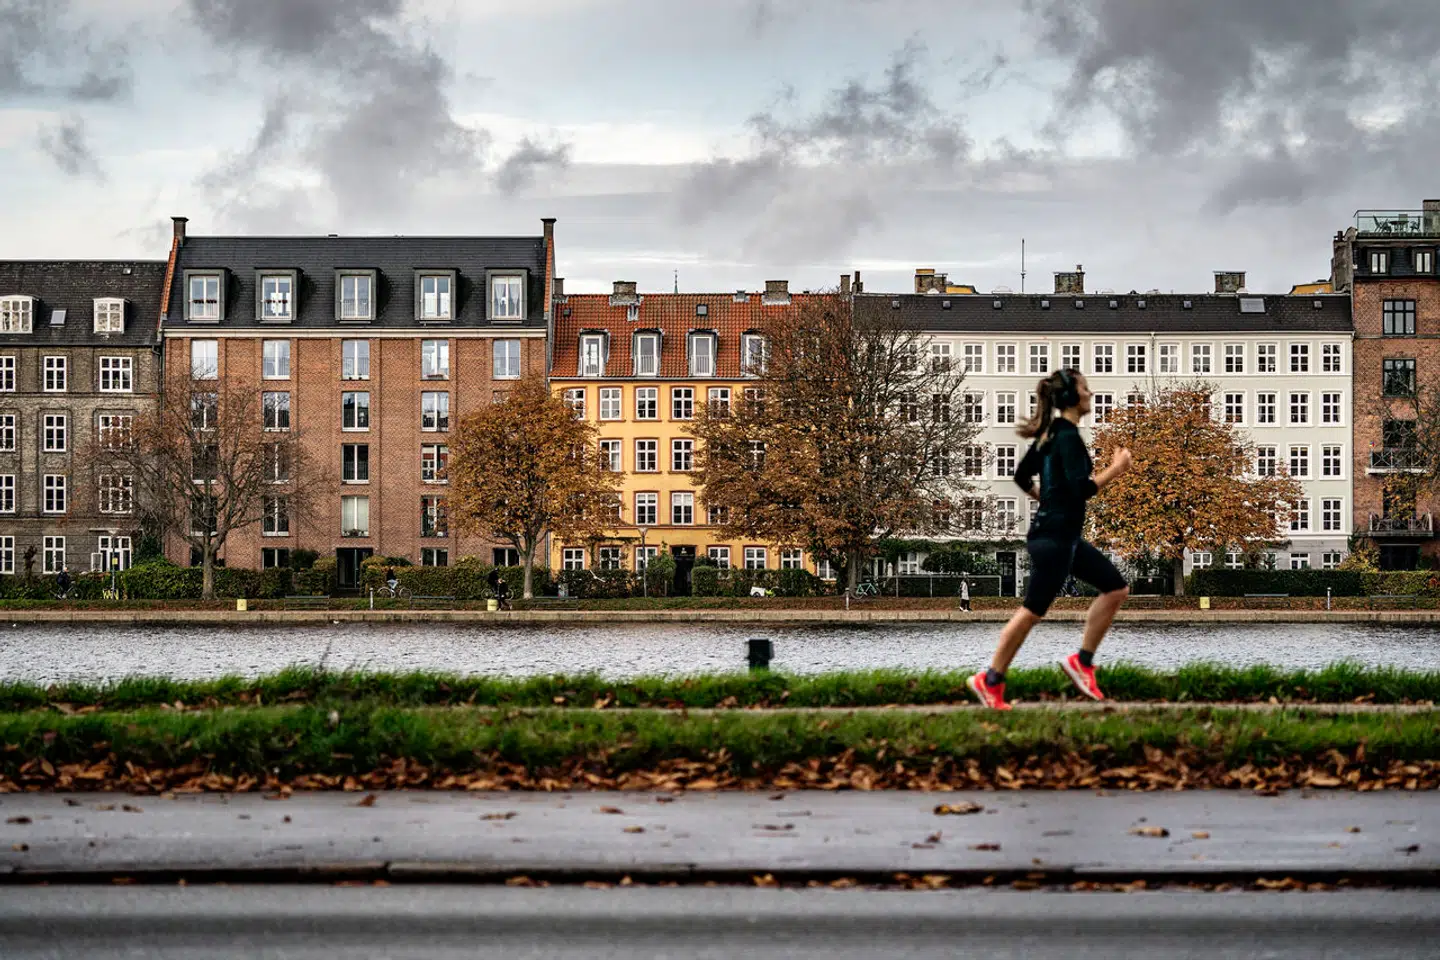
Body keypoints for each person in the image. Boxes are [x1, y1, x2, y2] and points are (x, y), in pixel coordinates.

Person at [968, 367, 1133, 710]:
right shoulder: (1067, 436)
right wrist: (1116, 469)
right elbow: (1081, 489)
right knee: (1031, 612)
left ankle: (1080, 663)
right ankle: (991, 679)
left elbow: (1021, 476)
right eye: (1086, 388)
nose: (1090, 393)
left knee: (1115, 588)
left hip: (1059, 535)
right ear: (1073, 397)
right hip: (1056, 539)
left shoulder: (1050, 434)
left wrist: (1046, 499)